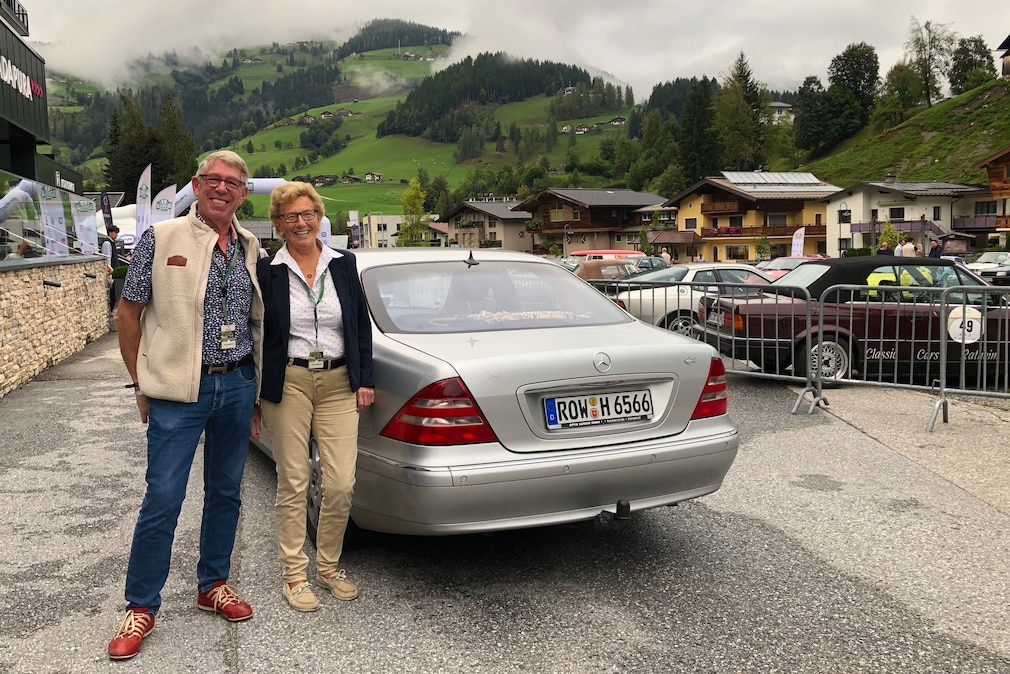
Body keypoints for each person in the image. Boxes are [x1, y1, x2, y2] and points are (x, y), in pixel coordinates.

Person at [108, 150, 264, 660]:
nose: (222, 189)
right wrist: (141, 382)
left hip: (237, 383)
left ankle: (211, 584)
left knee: (226, 492)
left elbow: (256, 322)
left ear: (243, 193)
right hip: (177, 391)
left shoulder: (249, 245)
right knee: (163, 498)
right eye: (213, 180)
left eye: (233, 183)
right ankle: (141, 606)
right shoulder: (162, 237)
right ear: (196, 186)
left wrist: (257, 392)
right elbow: (127, 315)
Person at [255, 181, 374, 612]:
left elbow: (360, 324)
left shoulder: (344, 262)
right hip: (289, 382)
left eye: (308, 214)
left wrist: (365, 377)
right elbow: (259, 332)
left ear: (320, 218)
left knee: (341, 483)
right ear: (279, 224)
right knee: (294, 481)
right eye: (291, 216)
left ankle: (328, 566)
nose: (301, 222)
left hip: (340, 382)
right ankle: (294, 575)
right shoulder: (268, 270)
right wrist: (255, 393)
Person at [102, 224, 122, 311]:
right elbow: (107, 257)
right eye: (115, 233)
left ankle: (111, 308)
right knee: (112, 291)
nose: (116, 235)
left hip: (114, 270)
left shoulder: (111, 243)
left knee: (114, 291)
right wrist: (110, 270)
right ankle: (110, 309)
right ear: (110, 232)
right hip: (111, 270)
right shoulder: (107, 243)